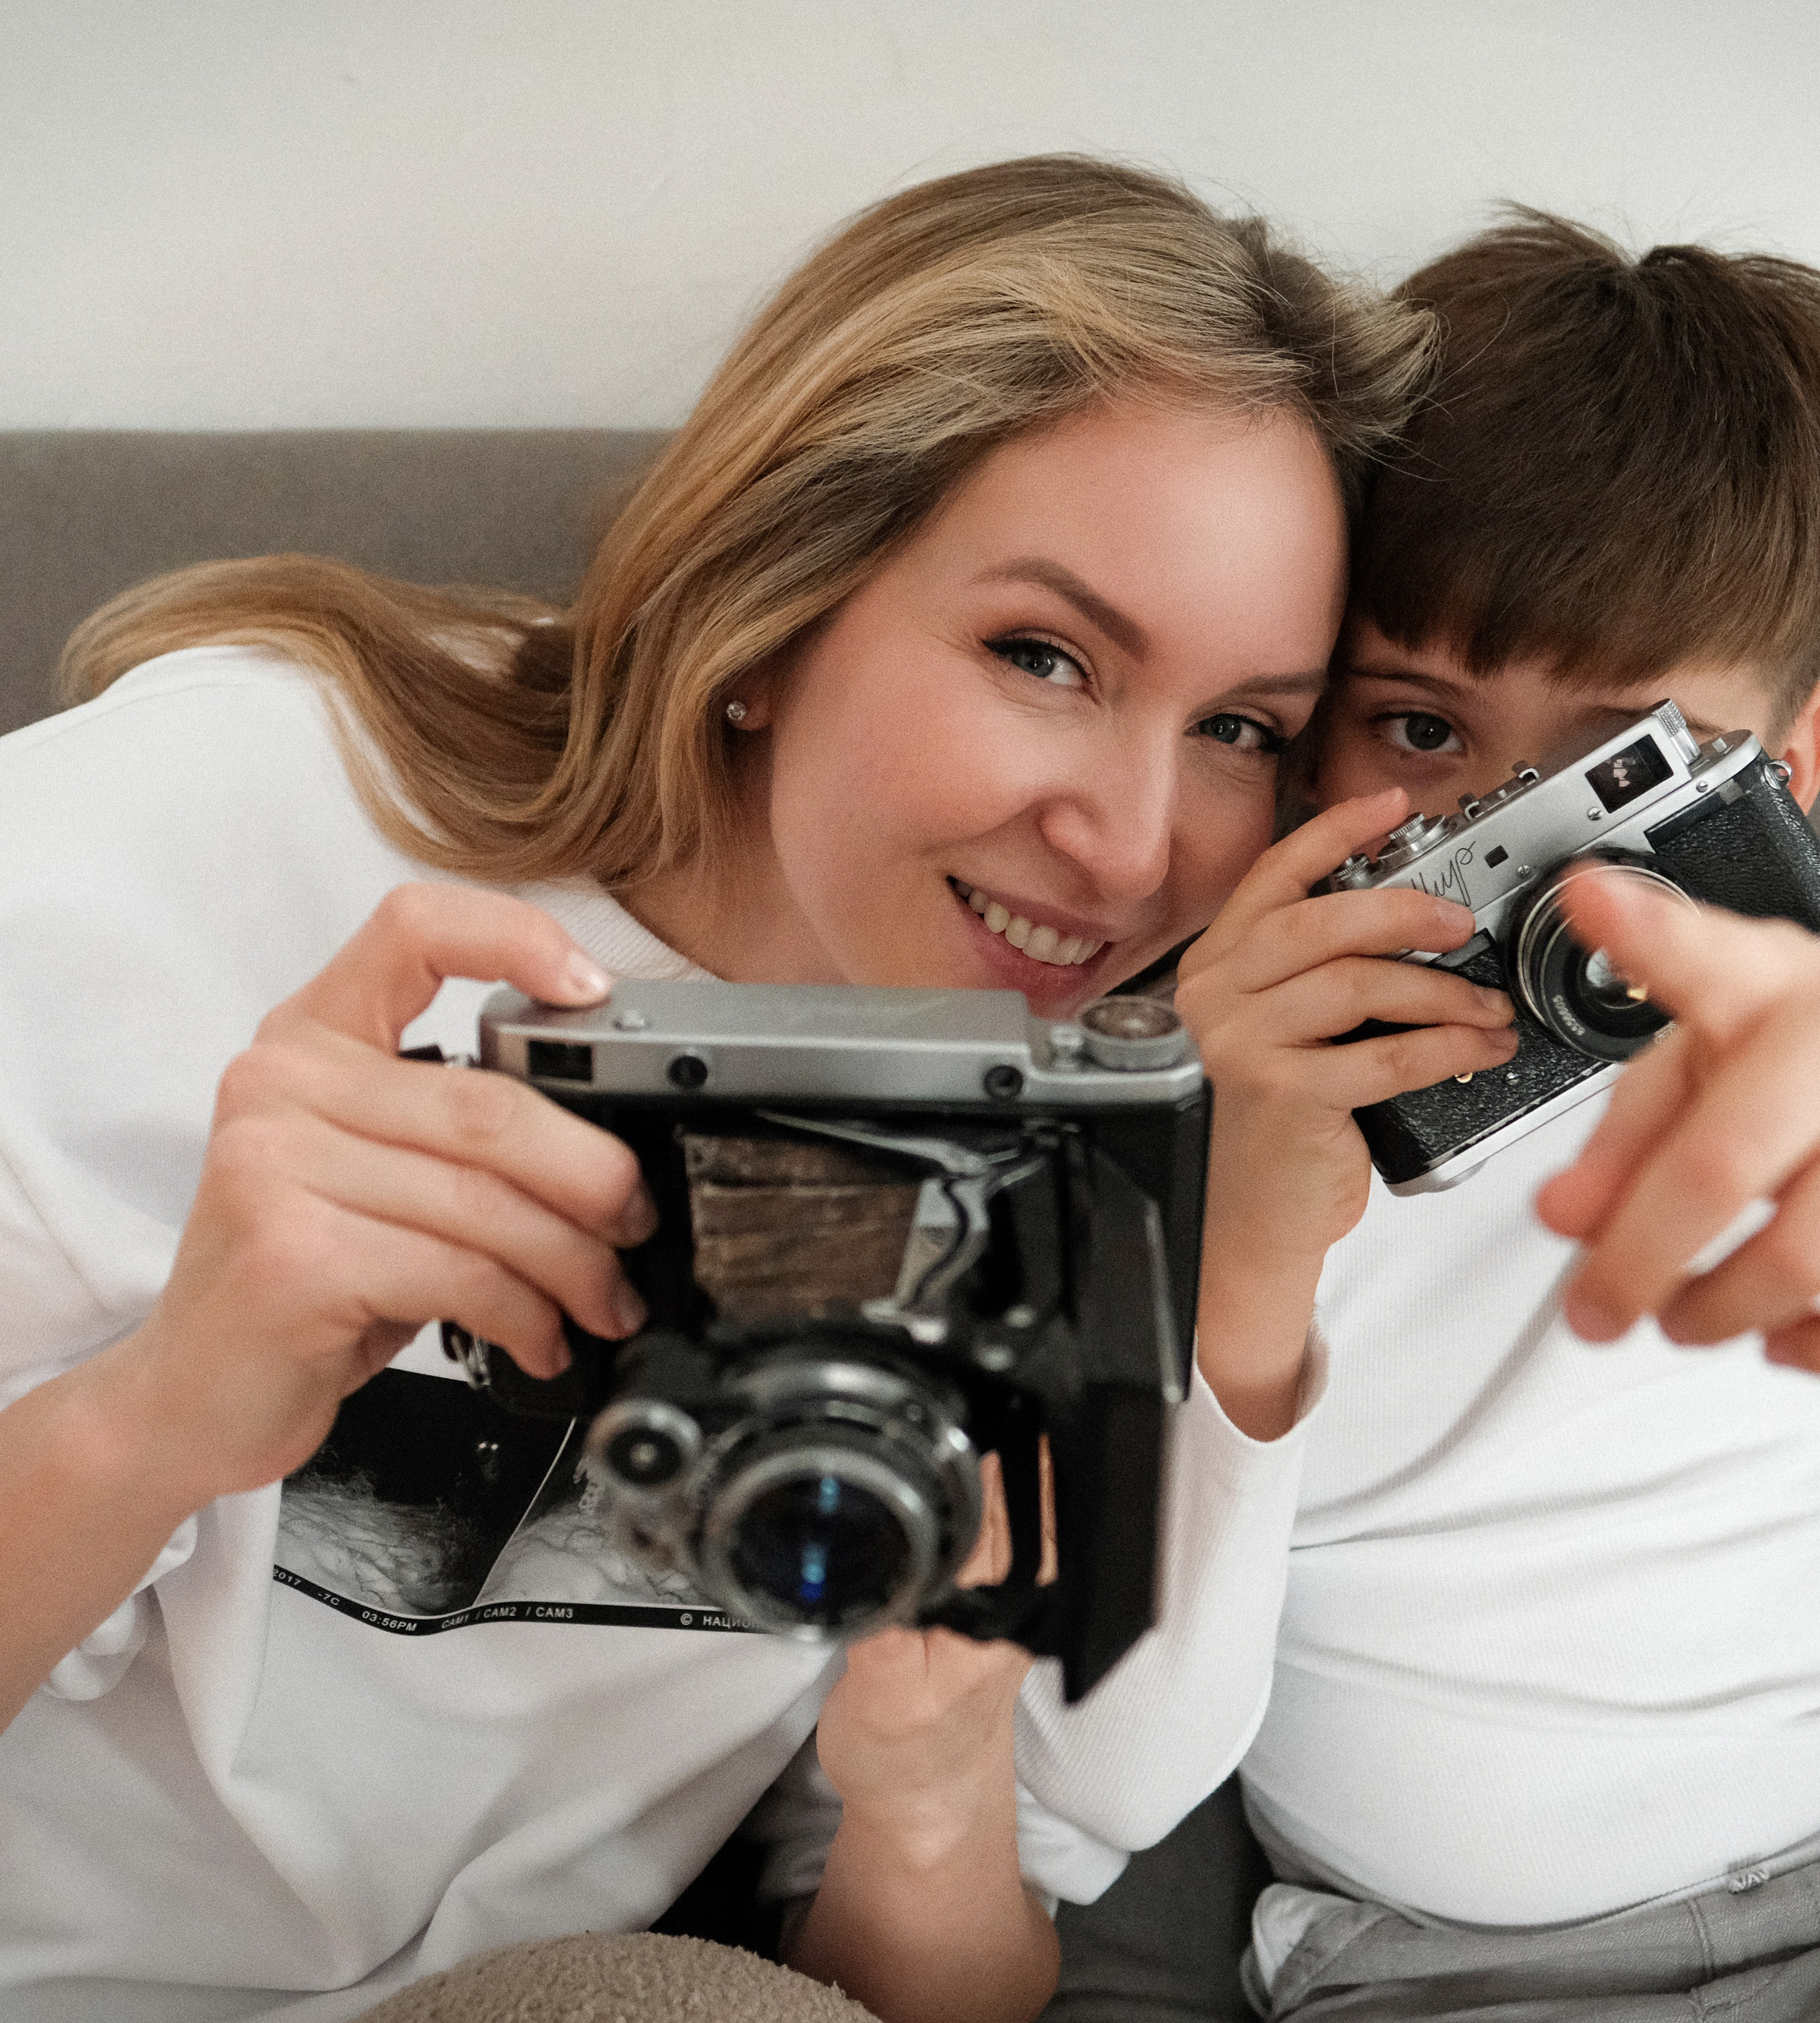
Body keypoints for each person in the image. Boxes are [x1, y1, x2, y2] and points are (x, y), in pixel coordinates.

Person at [0, 156, 1438, 2023]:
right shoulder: (198, 828)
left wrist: (924, 1788)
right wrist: (154, 1417)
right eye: (1041, 655)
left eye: (1238, 726)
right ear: (773, 602)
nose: (1133, 840)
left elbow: (952, 1966)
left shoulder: (1093, 1141)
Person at [1057, 214, 1820, 2020]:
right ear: (1302, 733)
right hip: (1458, 1965)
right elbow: (1082, 1749)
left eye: (1612, 769)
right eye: (1420, 735)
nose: (1511, 852)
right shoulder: (1201, 1064)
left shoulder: (1818, 954)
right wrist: (1238, 1220)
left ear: (1783, 776)